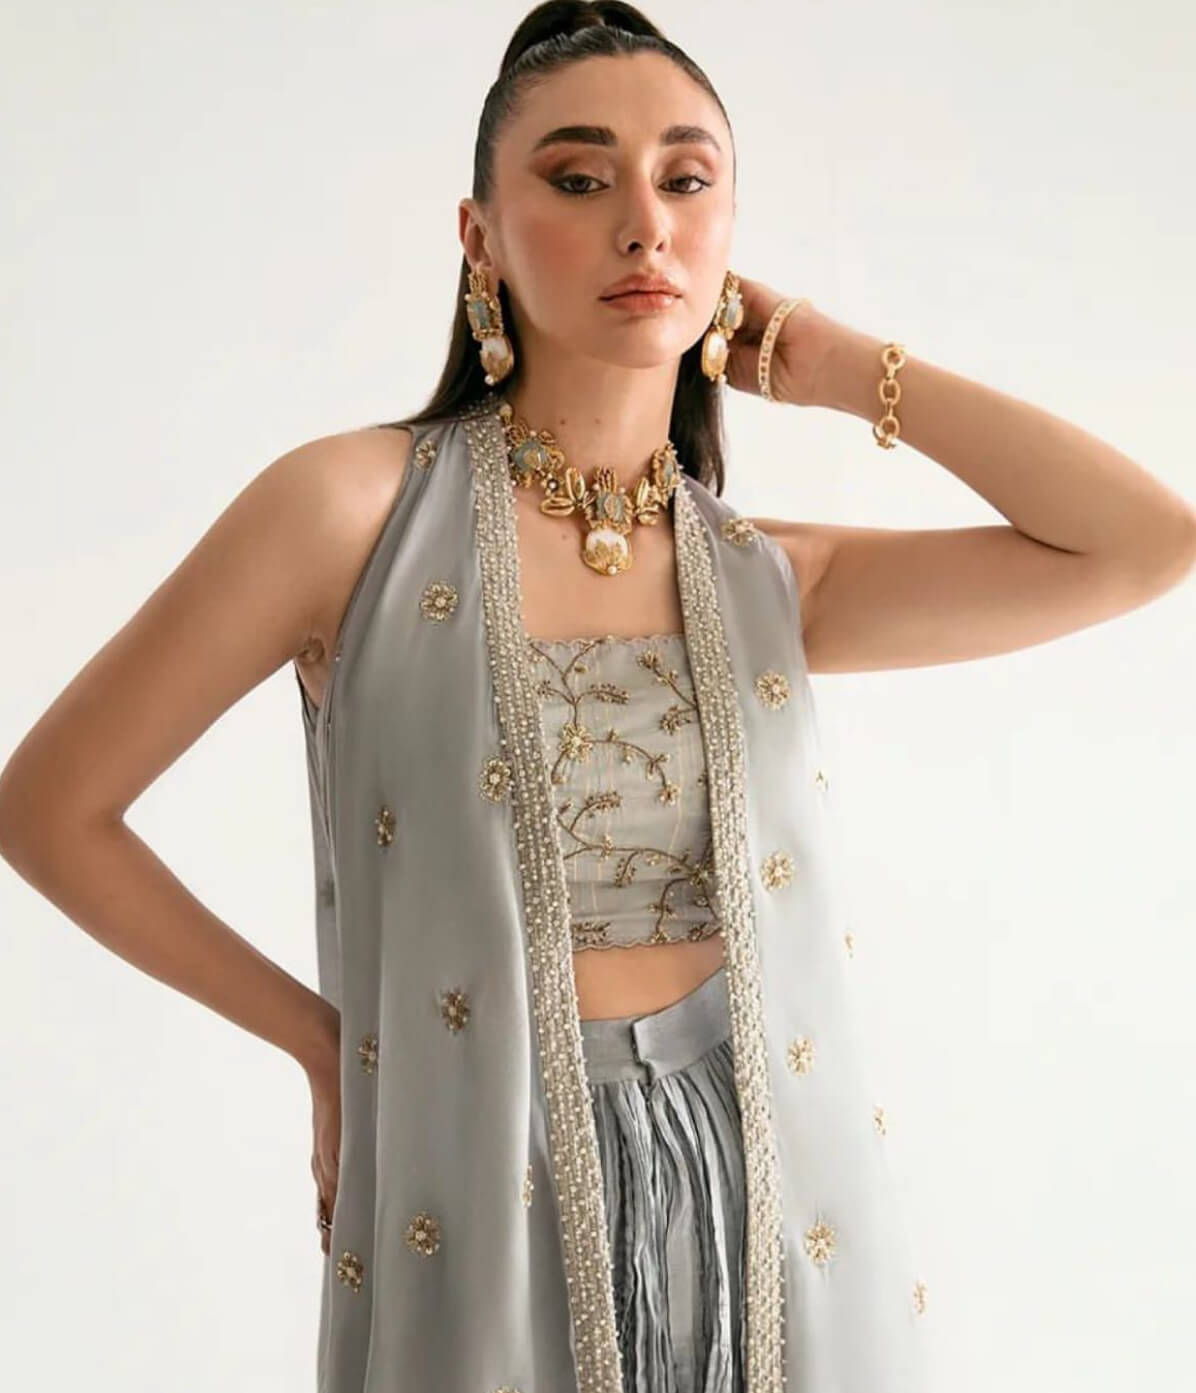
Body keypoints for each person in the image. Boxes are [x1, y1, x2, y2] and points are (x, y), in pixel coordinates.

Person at [3, 2, 1194, 1390]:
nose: (644, 225)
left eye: (687, 181)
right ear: (479, 236)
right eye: (579, 179)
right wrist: (327, 1047)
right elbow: (50, 807)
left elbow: (1143, 544)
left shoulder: (763, 578)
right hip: (482, 1161)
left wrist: (832, 363)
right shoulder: (350, 517)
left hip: (762, 1176)